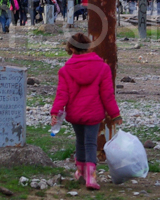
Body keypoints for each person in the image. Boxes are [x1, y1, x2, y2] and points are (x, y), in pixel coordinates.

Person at [50, 33, 122, 190]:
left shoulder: (65, 70)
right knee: (90, 143)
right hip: (94, 113)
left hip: (75, 113)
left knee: (80, 141)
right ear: (88, 46)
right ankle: (91, 176)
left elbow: (62, 94)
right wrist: (115, 114)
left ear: (71, 49)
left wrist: (55, 112)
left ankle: (81, 172)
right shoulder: (102, 68)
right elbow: (107, 95)